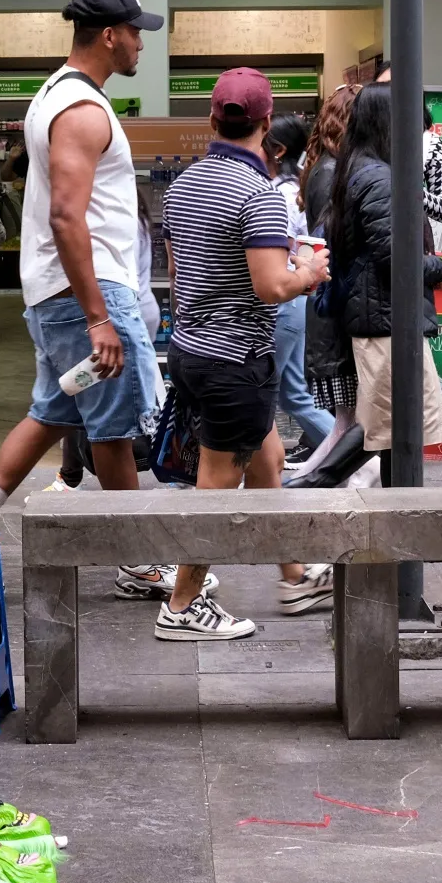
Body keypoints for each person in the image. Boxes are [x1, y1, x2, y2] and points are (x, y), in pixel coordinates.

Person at [0, 0, 193, 600]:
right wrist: (98, 317)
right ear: (109, 35)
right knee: (111, 430)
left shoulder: (56, 95)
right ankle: (138, 561)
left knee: (51, 413)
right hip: (87, 292)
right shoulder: (82, 109)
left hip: (60, 293)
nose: (140, 44)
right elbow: (65, 215)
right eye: (135, 32)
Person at [156, 70, 333, 640]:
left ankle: (295, 574)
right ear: (266, 124)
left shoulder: (181, 186)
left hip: (190, 349)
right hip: (235, 360)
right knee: (215, 488)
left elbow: (181, 270)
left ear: (212, 119)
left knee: (268, 459)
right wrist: (309, 271)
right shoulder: (258, 194)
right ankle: (182, 606)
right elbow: (271, 286)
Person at [324, 83, 442, 466]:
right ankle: (320, 477)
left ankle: (327, 477)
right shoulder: (381, 178)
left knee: (389, 431)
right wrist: (438, 267)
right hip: (386, 320)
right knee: (392, 430)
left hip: (377, 316)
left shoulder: (358, 168)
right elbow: (397, 261)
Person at [286, 84, 367, 484]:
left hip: (326, 303)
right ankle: (310, 484)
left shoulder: (323, 167)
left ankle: (306, 481)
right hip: (334, 305)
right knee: (352, 422)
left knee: (348, 420)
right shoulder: (336, 174)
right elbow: (334, 243)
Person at [264, 113, 334, 456]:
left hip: (285, 300)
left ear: (278, 150)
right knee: (292, 394)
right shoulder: (296, 189)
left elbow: (289, 250)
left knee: (262, 389)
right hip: (296, 300)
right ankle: (353, 458)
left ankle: (254, 467)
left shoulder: (282, 195)